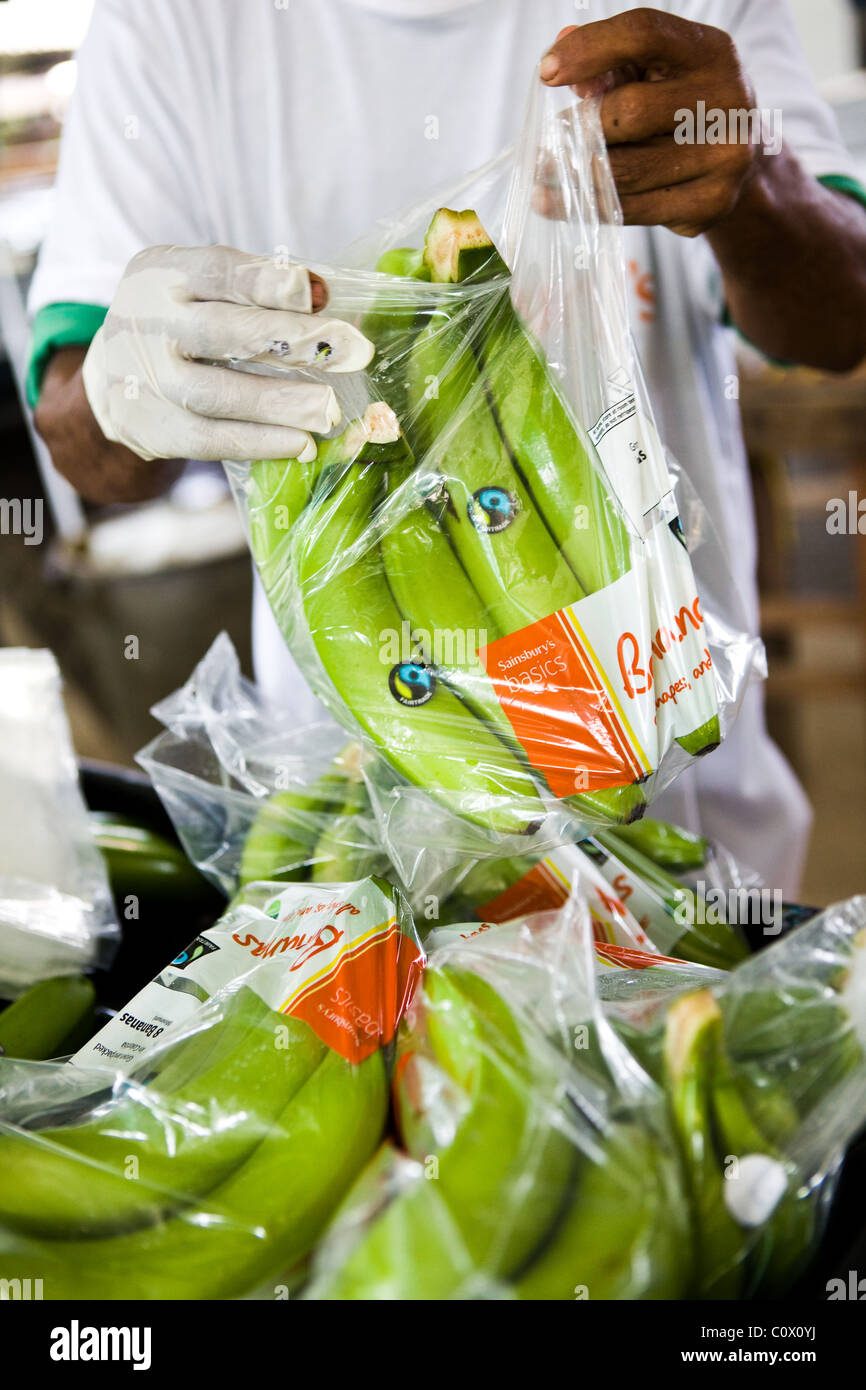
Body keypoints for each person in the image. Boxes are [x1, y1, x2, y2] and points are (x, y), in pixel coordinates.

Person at [28, 0, 866, 896]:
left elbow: (842, 319)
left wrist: (756, 181)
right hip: (364, 789)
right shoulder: (168, 23)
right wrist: (127, 382)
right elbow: (85, 443)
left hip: (685, 774)